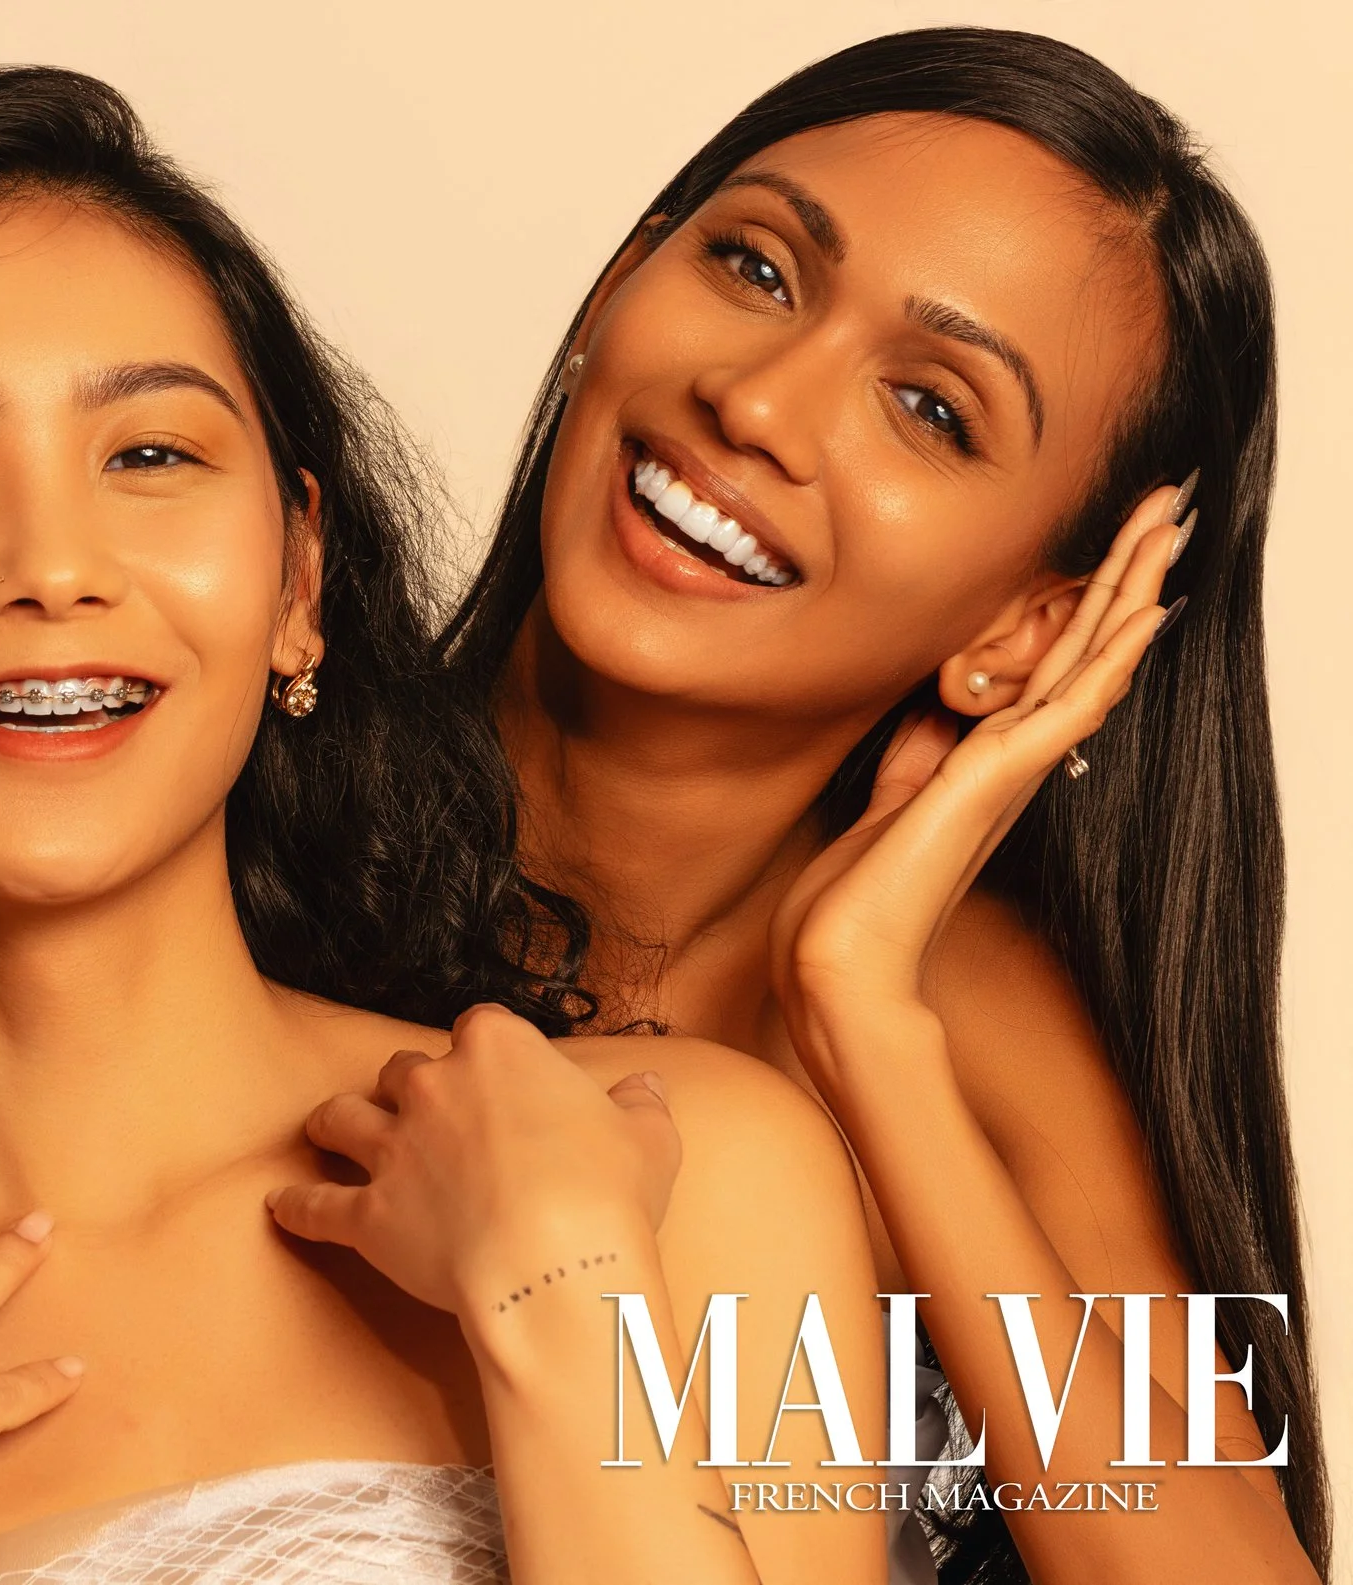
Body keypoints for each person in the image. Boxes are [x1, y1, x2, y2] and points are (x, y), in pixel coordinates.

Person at [0, 69, 887, 1585]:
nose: (51, 567)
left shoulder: (673, 1169)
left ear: (293, 584)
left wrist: (563, 1301)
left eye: (149, 455)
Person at [432, 27, 1326, 1582]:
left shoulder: (968, 1018)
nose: (760, 405)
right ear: (613, 289)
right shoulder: (227, 831)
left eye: (932, 409)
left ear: (1027, 632)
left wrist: (859, 1013)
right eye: (758, 269)